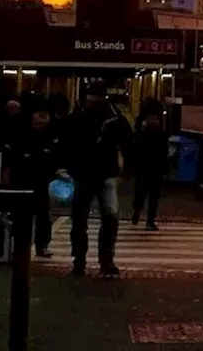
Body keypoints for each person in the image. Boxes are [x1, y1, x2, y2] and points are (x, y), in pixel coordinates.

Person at [62, 82, 133, 278]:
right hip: (101, 172)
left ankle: (82, 261)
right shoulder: (114, 118)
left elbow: (65, 143)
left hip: (87, 173)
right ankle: (103, 261)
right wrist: (127, 167)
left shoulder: (77, 117)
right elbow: (128, 143)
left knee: (82, 219)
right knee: (108, 218)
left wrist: (67, 167)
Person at [2, 96, 63, 257]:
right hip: (22, 177)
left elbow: (56, 155)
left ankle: (40, 244)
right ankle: (20, 245)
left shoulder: (51, 132)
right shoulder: (20, 131)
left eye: (45, 116)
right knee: (22, 214)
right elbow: (10, 155)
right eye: (39, 116)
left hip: (41, 179)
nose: (41, 120)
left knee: (42, 213)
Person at [130, 98, 168, 230]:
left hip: (144, 165)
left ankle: (137, 213)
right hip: (154, 166)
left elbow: (135, 144)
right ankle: (149, 221)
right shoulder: (159, 127)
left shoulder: (141, 124)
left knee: (141, 193)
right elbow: (163, 149)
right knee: (152, 196)